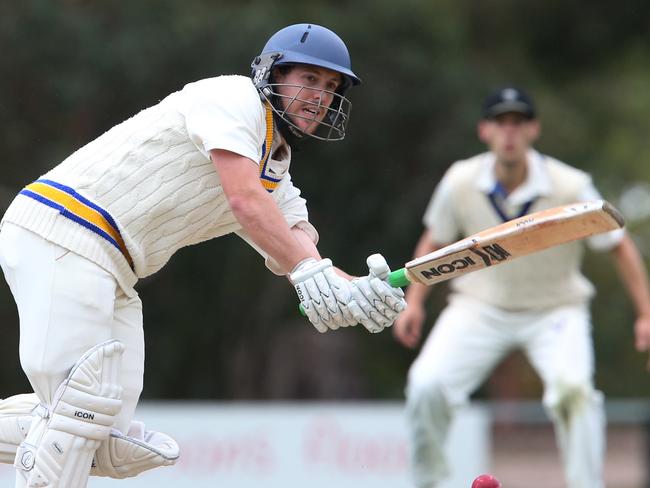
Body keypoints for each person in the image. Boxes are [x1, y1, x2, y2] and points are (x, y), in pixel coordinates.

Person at [0, 23, 406, 487]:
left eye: (331, 87)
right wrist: (309, 270)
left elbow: (295, 241)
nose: (320, 95)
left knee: (105, 438)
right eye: (309, 79)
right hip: (63, 233)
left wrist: (355, 291)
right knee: (79, 410)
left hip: (111, 268)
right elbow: (245, 201)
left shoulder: (274, 164)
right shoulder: (234, 99)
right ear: (272, 72)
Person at [392, 86, 650, 488]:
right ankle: (428, 483)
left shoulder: (570, 185)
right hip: (479, 306)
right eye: (500, 123)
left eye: (518, 123)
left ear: (533, 130)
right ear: (484, 130)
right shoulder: (460, 180)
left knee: (574, 392)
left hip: (556, 309)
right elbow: (435, 241)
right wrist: (414, 303)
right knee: (426, 385)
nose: (508, 133)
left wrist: (646, 315)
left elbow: (618, 244)